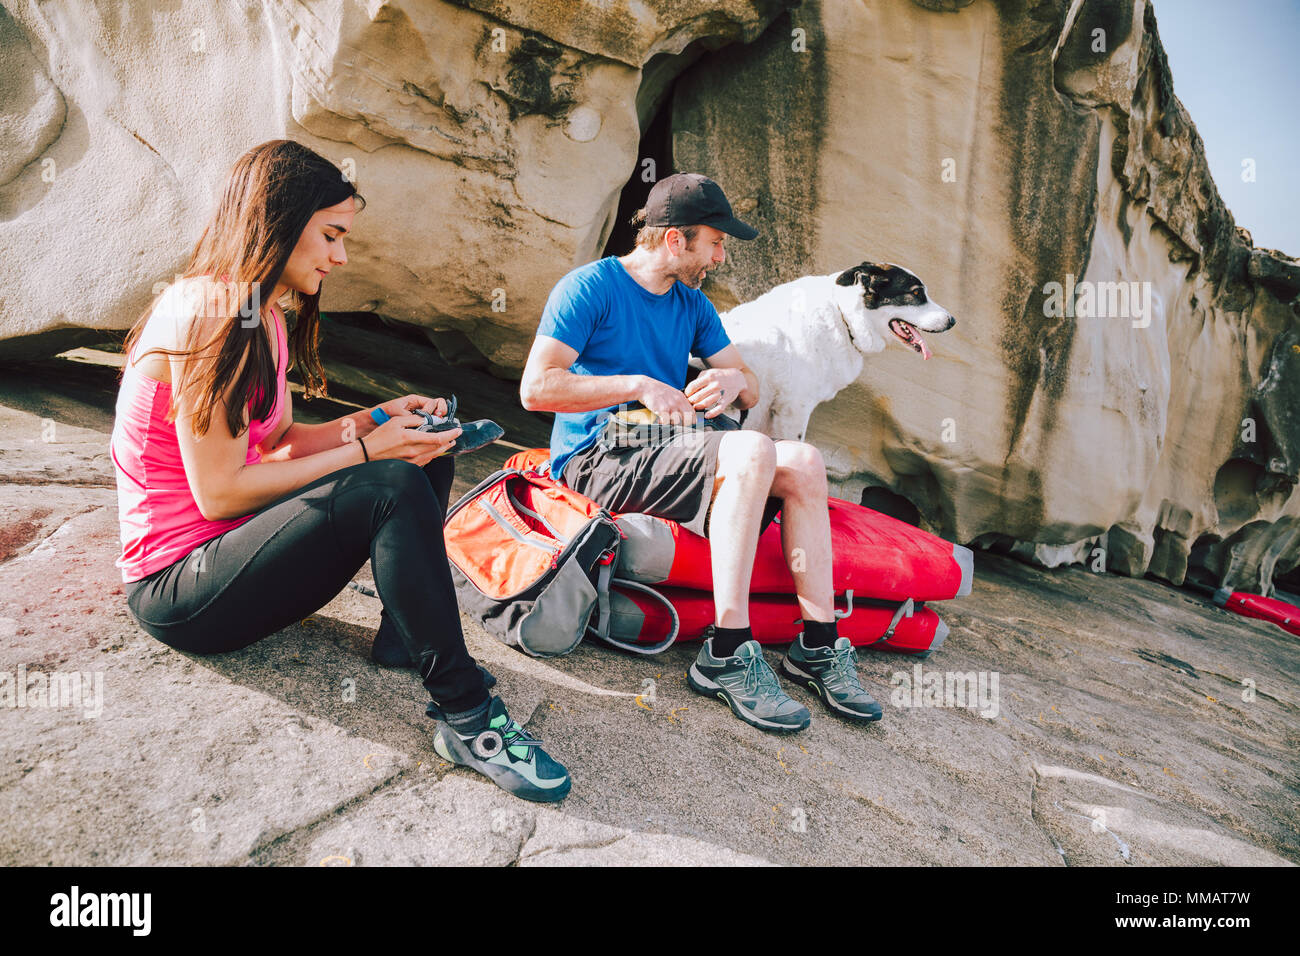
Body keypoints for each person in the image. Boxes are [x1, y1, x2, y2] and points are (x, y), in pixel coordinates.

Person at [111, 139, 569, 802]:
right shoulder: (208, 311)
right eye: (330, 235)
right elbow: (218, 494)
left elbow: (284, 442)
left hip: (231, 549)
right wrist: (368, 455)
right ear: (277, 222)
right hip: (181, 590)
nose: (340, 255)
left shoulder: (260, 313)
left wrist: (379, 422)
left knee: (420, 450)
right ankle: (469, 718)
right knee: (389, 481)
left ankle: (405, 637)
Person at [520, 172, 883, 733]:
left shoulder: (692, 306)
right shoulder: (589, 287)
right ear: (675, 240)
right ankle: (728, 652)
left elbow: (751, 382)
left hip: (662, 447)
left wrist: (733, 383)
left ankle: (817, 641)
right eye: (714, 242)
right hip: (598, 455)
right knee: (754, 451)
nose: (719, 257)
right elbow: (536, 389)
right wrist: (637, 385)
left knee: (804, 461)